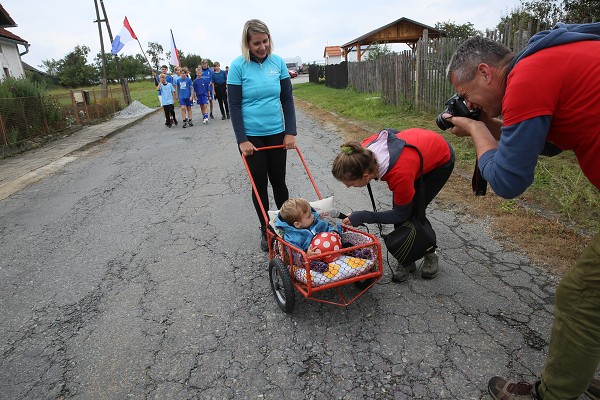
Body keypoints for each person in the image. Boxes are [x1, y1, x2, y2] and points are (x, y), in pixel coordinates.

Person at [443, 23, 600, 400]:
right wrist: (487, 124)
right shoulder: (550, 61)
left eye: (466, 95)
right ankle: (577, 371)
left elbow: (509, 181)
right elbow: (546, 143)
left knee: (580, 297)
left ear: (486, 72)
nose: (470, 105)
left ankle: (554, 394)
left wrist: (475, 130)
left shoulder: (527, 77)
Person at [331, 128, 454, 282]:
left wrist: (363, 216)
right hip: (414, 158)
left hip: (439, 159)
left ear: (366, 176)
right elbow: (392, 132)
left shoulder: (399, 173)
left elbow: (400, 214)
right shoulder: (360, 154)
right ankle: (407, 258)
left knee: (415, 211)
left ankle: (430, 253)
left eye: (350, 183)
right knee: (404, 207)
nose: (348, 187)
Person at [228, 18, 297, 252]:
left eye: (265, 41)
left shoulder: (277, 63)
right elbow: (234, 106)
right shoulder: (238, 67)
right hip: (252, 137)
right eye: (256, 43)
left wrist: (290, 132)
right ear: (247, 43)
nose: (262, 47)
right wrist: (242, 140)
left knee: (279, 181)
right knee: (259, 184)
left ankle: (286, 225)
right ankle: (266, 228)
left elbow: (287, 99)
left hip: (277, 133)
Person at [275, 198, 341, 254]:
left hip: (331, 248)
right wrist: (307, 254)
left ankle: (347, 249)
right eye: (309, 216)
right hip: (312, 258)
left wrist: (333, 232)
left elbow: (328, 227)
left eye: (311, 213)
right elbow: (295, 254)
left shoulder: (317, 223)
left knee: (345, 239)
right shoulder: (292, 237)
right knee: (312, 264)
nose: (313, 216)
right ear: (297, 224)